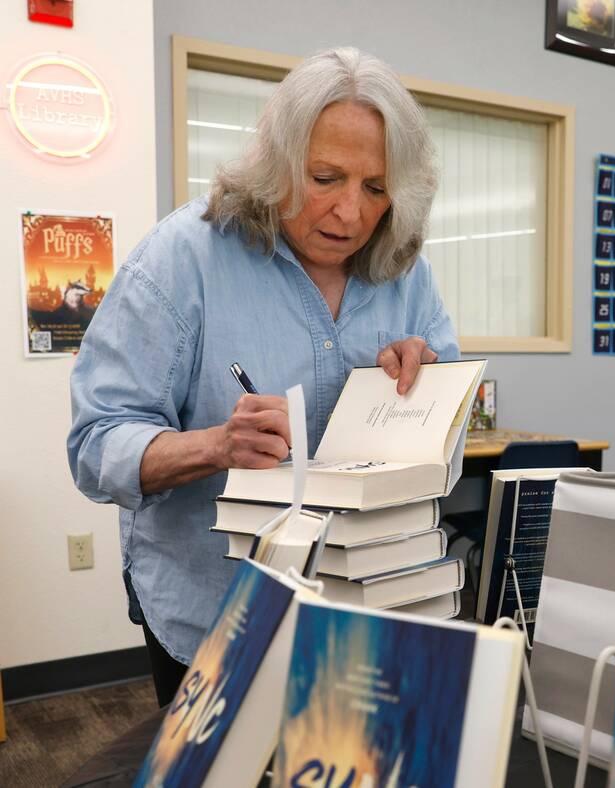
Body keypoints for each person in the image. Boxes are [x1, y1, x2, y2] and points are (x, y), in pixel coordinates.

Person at [67, 47, 457, 707]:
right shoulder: (181, 260)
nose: (350, 215)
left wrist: (430, 382)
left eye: (375, 187)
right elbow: (95, 444)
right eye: (326, 177)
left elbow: (446, 410)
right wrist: (215, 446)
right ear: (274, 164)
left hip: (367, 610)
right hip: (218, 615)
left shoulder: (404, 267)